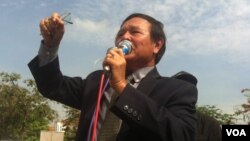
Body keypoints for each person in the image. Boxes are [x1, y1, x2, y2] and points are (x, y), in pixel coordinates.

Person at [28, 12, 198, 141]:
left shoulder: (178, 89)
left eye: (135, 32)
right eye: (121, 33)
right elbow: (52, 86)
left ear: (157, 45)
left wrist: (121, 85)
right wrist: (50, 47)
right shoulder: (97, 80)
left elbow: (181, 134)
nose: (124, 37)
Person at [172, 71, 222, 141]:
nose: (186, 91)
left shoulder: (210, 124)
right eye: (181, 86)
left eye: (191, 88)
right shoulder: (159, 119)